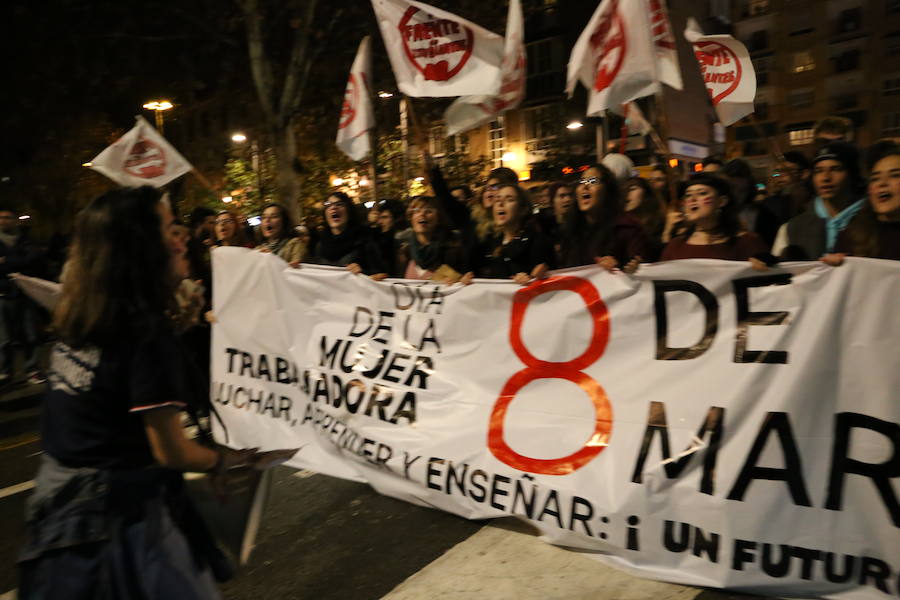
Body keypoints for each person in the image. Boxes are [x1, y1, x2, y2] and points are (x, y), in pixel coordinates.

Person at [18, 186, 258, 599]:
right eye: (169, 229)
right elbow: (172, 451)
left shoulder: (84, 312)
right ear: (141, 246)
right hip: (117, 526)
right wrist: (223, 462)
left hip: (57, 511)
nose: (183, 237)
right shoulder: (146, 332)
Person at [772, 142, 866, 260]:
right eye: (819, 171)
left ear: (852, 175)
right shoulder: (792, 228)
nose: (825, 178)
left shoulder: (871, 222)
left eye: (836, 169)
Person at [660, 174, 770, 263]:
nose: (692, 199)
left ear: (721, 201)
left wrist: (764, 264)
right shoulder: (675, 245)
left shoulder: (747, 242)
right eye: (688, 195)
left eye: (702, 193)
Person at [559, 164, 648, 272]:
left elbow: (639, 269)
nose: (585, 186)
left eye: (592, 181)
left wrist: (620, 267)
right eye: (581, 182)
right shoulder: (571, 230)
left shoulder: (626, 228)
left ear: (607, 191)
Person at [824, 144, 900, 263]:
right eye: (875, 178)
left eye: (895, 175)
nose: (882, 183)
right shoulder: (850, 236)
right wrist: (832, 270)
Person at [0, 206, 46, 386]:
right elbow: (26, 261)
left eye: (8, 217)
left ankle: (32, 369)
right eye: (1, 218)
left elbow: (34, 260)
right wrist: (18, 262)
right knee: (3, 339)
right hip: (3, 294)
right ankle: (4, 372)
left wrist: (6, 261)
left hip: (25, 293)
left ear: (15, 220)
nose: (4, 221)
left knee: (30, 334)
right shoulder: (23, 244)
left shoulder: (25, 240)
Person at [472, 184, 553, 284]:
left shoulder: (537, 240)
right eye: (497, 200)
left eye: (509, 199)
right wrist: (469, 280)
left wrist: (530, 278)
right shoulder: (491, 242)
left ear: (522, 209)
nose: (500, 203)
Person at [307, 192, 386, 276]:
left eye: (339, 204)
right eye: (328, 205)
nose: (333, 207)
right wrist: (298, 268)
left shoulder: (364, 240)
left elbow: (380, 274)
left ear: (349, 211)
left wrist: (363, 272)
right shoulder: (320, 245)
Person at [396, 196, 468, 282]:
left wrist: (459, 280)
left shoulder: (452, 251)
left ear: (439, 218)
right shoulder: (405, 252)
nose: (422, 214)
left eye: (428, 211)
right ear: (411, 218)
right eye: (417, 211)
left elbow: (460, 283)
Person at [623, 176, 666, 261]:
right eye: (624, 190)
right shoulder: (622, 224)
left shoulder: (659, 221)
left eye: (632, 189)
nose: (627, 194)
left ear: (646, 192)